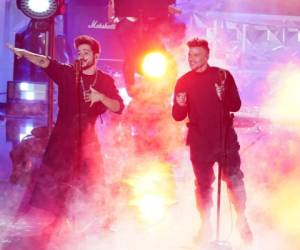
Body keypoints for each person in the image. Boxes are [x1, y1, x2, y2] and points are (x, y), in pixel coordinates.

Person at [7, 35, 124, 234]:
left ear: (96, 56)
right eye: (79, 52)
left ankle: (98, 226)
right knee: (55, 186)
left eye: (86, 52)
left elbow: (118, 107)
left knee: (92, 184)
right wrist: (24, 53)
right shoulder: (67, 74)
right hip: (61, 140)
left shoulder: (104, 80)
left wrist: (100, 96)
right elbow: (45, 61)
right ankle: (59, 228)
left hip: (87, 141)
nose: (82, 56)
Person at [172, 38, 252, 244]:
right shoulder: (183, 81)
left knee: (234, 179)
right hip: (199, 141)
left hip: (224, 138)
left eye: (196, 55)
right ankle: (205, 223)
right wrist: (180, 105)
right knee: (203, 185)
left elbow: (236, 105)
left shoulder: (222, 76)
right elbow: (177, 115)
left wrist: (223, 95)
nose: (192, 59)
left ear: (207, 56)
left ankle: (241, 218)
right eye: (190, 55)